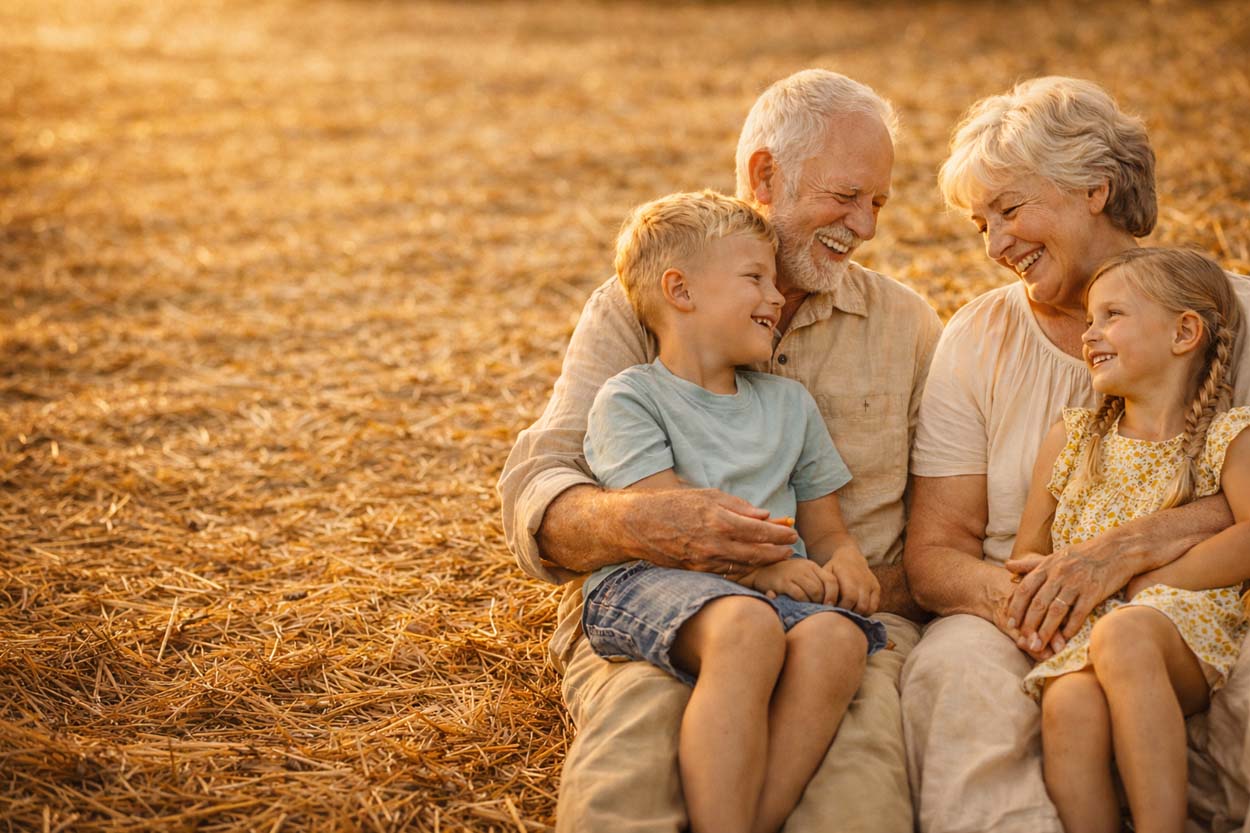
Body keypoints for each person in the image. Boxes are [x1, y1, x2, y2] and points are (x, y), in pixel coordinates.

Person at [499, 69, 943, 833]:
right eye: (846, 196)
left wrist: (856, 581)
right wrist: (655, 528)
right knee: (636, 766)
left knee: (855, 788)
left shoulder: (907, 326)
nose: (865, 226)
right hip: (662, 599)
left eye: (878, 203)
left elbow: (945, 526)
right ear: (765, 175)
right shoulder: (637, 303)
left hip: (839, 618)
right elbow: (540, 488)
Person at [901, 76, 1250, 833]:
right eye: (979, 224)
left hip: (1215, 598)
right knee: (955, 673)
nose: (994, 246)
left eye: (1011, 209)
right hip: (1016, 606)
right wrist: (1041, 608)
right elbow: (935, 551)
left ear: (1095, 188)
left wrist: (1127, 553)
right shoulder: (976, 338)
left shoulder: (1231, 311)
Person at [581, 189, 886, 833]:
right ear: (681, 291)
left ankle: (753, 820)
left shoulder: (789, 405)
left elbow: (823, 526)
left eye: (774, 282)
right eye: (755, 278)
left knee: (836, 639)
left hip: (772, 591)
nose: (776, 298)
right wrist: (760, 574)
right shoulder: (632, 399)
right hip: (652, 581)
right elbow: (668, 521)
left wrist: (846, 559)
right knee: (746, 630)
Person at [1013, 248, 1250, 833]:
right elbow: (1027, 552)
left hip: (1177, 630)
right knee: (1068, 705)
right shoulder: (1074, 438)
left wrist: (1146, 583)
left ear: (1184, 332)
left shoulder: (1229, 436)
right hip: (1086, 633)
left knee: (1126, 631)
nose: (1090, 335)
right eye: (1089, 320)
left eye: (1111, 315)